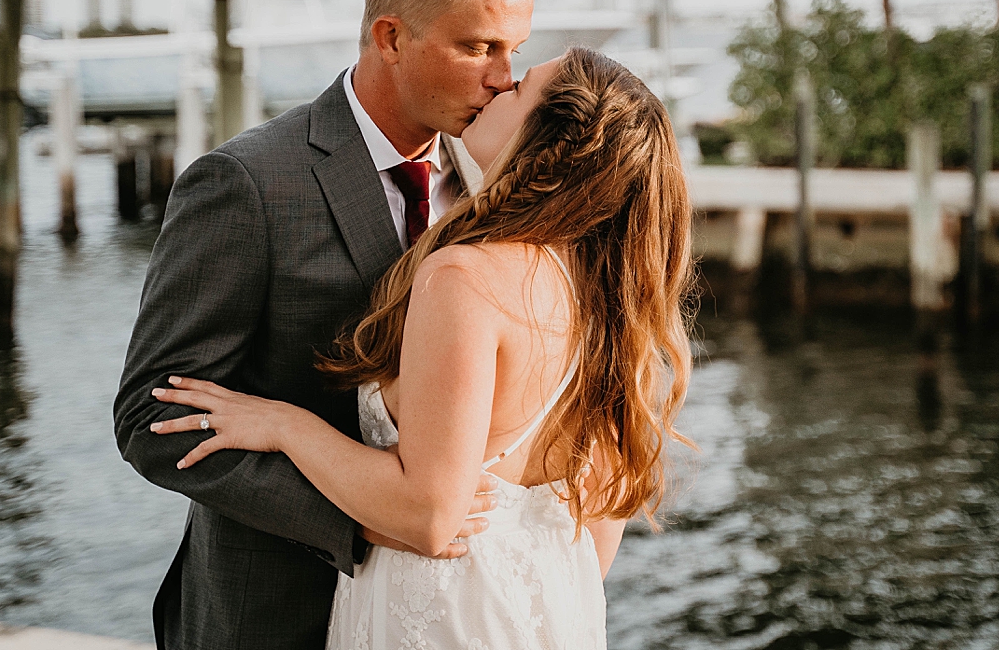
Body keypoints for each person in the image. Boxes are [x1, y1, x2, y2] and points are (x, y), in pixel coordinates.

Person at [148, 47, 695, 649]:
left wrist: (284, 426)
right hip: (546, 612)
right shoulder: (602, 298)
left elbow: (430, 516)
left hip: (440, 616)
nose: (502, 80)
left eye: (522, 85)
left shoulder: (463, 276)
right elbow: (596, 534)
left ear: (551, 143)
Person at [114, 0, 546, 650]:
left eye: (514, 50)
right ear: (391, 37)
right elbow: (154, 418)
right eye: (479, 47)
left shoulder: (490, 185)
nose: (504, 79)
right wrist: (365, 518)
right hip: (276, 615)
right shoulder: (245, 183)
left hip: (445, 614)